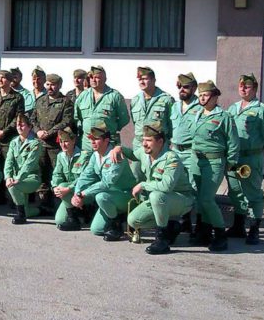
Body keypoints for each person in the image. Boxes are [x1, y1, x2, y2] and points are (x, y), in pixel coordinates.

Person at [117, 122, 196, 255]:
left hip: (181, 199)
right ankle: (171, 226)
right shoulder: (145, 152)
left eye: (149, 140)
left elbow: (166, 186)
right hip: (160, 201)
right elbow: (133, 155)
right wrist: (118, 149)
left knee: (156, 195)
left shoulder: (171, 158)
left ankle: (162, 239)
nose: (144, 144)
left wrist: (143, 185)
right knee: (133, 220)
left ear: (160, 141)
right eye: (143, 140)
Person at [225, 74, 264, 245]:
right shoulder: (233, 108)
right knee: (235, 191)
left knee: (253, 194)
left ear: (254, 89)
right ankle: (238, 226)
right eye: (241, 85)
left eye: (247, 86)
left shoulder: (261, 110)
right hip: (234, 158)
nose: (243, 88)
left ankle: (254, 229)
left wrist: (257, 150)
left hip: (251, 158)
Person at [189, 80, 239, 252]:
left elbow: (233, 142)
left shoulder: (224, 117)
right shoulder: (197, 114)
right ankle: (204, 231)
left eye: (205, 95)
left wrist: (231, 163)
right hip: (196, 160)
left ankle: (220, 234)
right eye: (200, 95)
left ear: (215, 96)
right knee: (198, 197)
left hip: (214, 161)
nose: (202, 98)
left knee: (207, 198)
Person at [72, 122, 137, 240]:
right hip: (109, 197)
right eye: (91, 139)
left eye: (96, 139)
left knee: (100, 197)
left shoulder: (116, 155)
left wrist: (84, 193)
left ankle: (116, 225)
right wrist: (77, 193)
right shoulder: (95, 155)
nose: (92, 142)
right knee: (96, 229)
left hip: (125, 195)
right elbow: (85, 176)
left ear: (106, 140)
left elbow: (108, 182)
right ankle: (118, 217)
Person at [31, 73, 74, 210]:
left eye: (53, 84)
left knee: (56, 174)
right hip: (41, 144)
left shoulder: (65, 102)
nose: (50, 87)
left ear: (59, 85)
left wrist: (49, 133)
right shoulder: (41, 100)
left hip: (56, 145)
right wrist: (37, 131)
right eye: (48, 84)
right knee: (41, 173)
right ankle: (43, 204)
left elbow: (66, 121)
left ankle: (59, 205)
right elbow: (33, 119)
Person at [73, 65, 129, 162]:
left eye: (97, 77)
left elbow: (124, 119)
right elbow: (77, 118)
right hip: (87, 144)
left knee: (107, 171)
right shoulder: (83, 96)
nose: (93, 80)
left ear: (105, 79)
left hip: (107, 143)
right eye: (91, 77)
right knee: (85, 173)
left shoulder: (114, 96)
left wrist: (111, 128)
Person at [169, 72, 201, 234]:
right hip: (175, 151)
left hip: (191, 152)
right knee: (177, 184)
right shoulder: (174, 106)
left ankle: (196, 222)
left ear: (194, 88)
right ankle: (184, 219)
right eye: (179, 86)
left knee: (192, 186)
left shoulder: (200, 107)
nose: (182, 89)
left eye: (186, 87)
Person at [4, 114, 43, 224]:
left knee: (13, 186)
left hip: (31, 178)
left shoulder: (35, 143)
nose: (19, 127)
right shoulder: (14, 142)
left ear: (30, 127)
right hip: (17, 178)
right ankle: (39, 211)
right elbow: (9, 161)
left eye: (22, 125)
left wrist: (18, 178)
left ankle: (20, 215)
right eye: (17, 125)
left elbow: (29, 164)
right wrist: (8, 176)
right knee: (11, 184)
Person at [130, 66, 174, 154]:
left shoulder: (166, 100)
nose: (141, 82)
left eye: (145, 79)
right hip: (139, 145)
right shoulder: (135, 100)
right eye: (140, 79)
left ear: (154, 80)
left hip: (159, 146)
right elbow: (135, 123)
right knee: (135, 168)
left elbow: (172, 125)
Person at [51, 128, 85, 230]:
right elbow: (57, 174)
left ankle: (74, 219)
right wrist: (55, 187)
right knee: (59, 221)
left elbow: (83, 179)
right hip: (68, 192)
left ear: (73, 140)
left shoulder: (84, 156)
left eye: (66, 141)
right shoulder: (60, 156)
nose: (63, 144)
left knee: (63, 186)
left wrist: (68, 188)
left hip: (82, 191)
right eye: (61, 141)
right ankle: (75, 215)